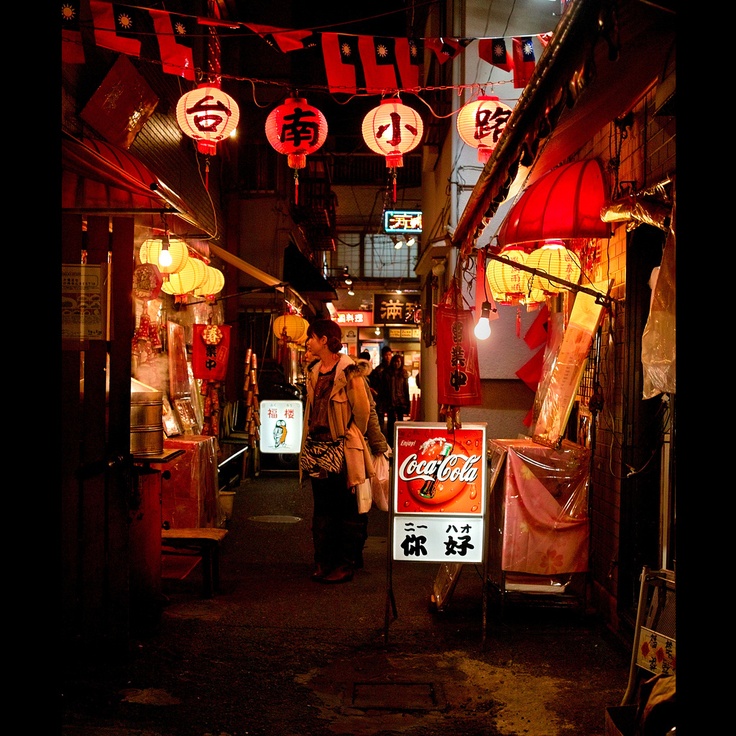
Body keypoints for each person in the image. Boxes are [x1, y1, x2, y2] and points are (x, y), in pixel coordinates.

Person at [300, 319, 374, 584]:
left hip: (341, 448)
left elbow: (363, 412)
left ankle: (345, 564)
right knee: (322, 507)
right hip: (316, 448)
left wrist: (351, 436)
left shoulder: (350, 372)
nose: (308, 341)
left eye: (312, 337)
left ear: (324, 340)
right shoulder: (314, 370)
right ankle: (323, 561)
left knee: (345, 508)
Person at [385, 352, 411, 447]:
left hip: (400, 401)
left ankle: (399, 440)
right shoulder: (388, 373)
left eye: (398, 361)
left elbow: (406, 389)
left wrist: (407, 404)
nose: (397, 363)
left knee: (400, 421)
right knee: (390, 422)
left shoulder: (403, 374)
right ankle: (390, 442)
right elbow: (385, 388)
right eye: (395, 362)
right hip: (391, 401)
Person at [368, 345, 393, 435]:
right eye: (386, 355)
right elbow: (373, 384)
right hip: (381, 398)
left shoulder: (393, 370)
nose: (388, 357)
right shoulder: (378, 370)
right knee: (380, 420)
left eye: (389, 355)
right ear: (383, 355)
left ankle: (390, 439)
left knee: (392, 421)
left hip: (391, 398)